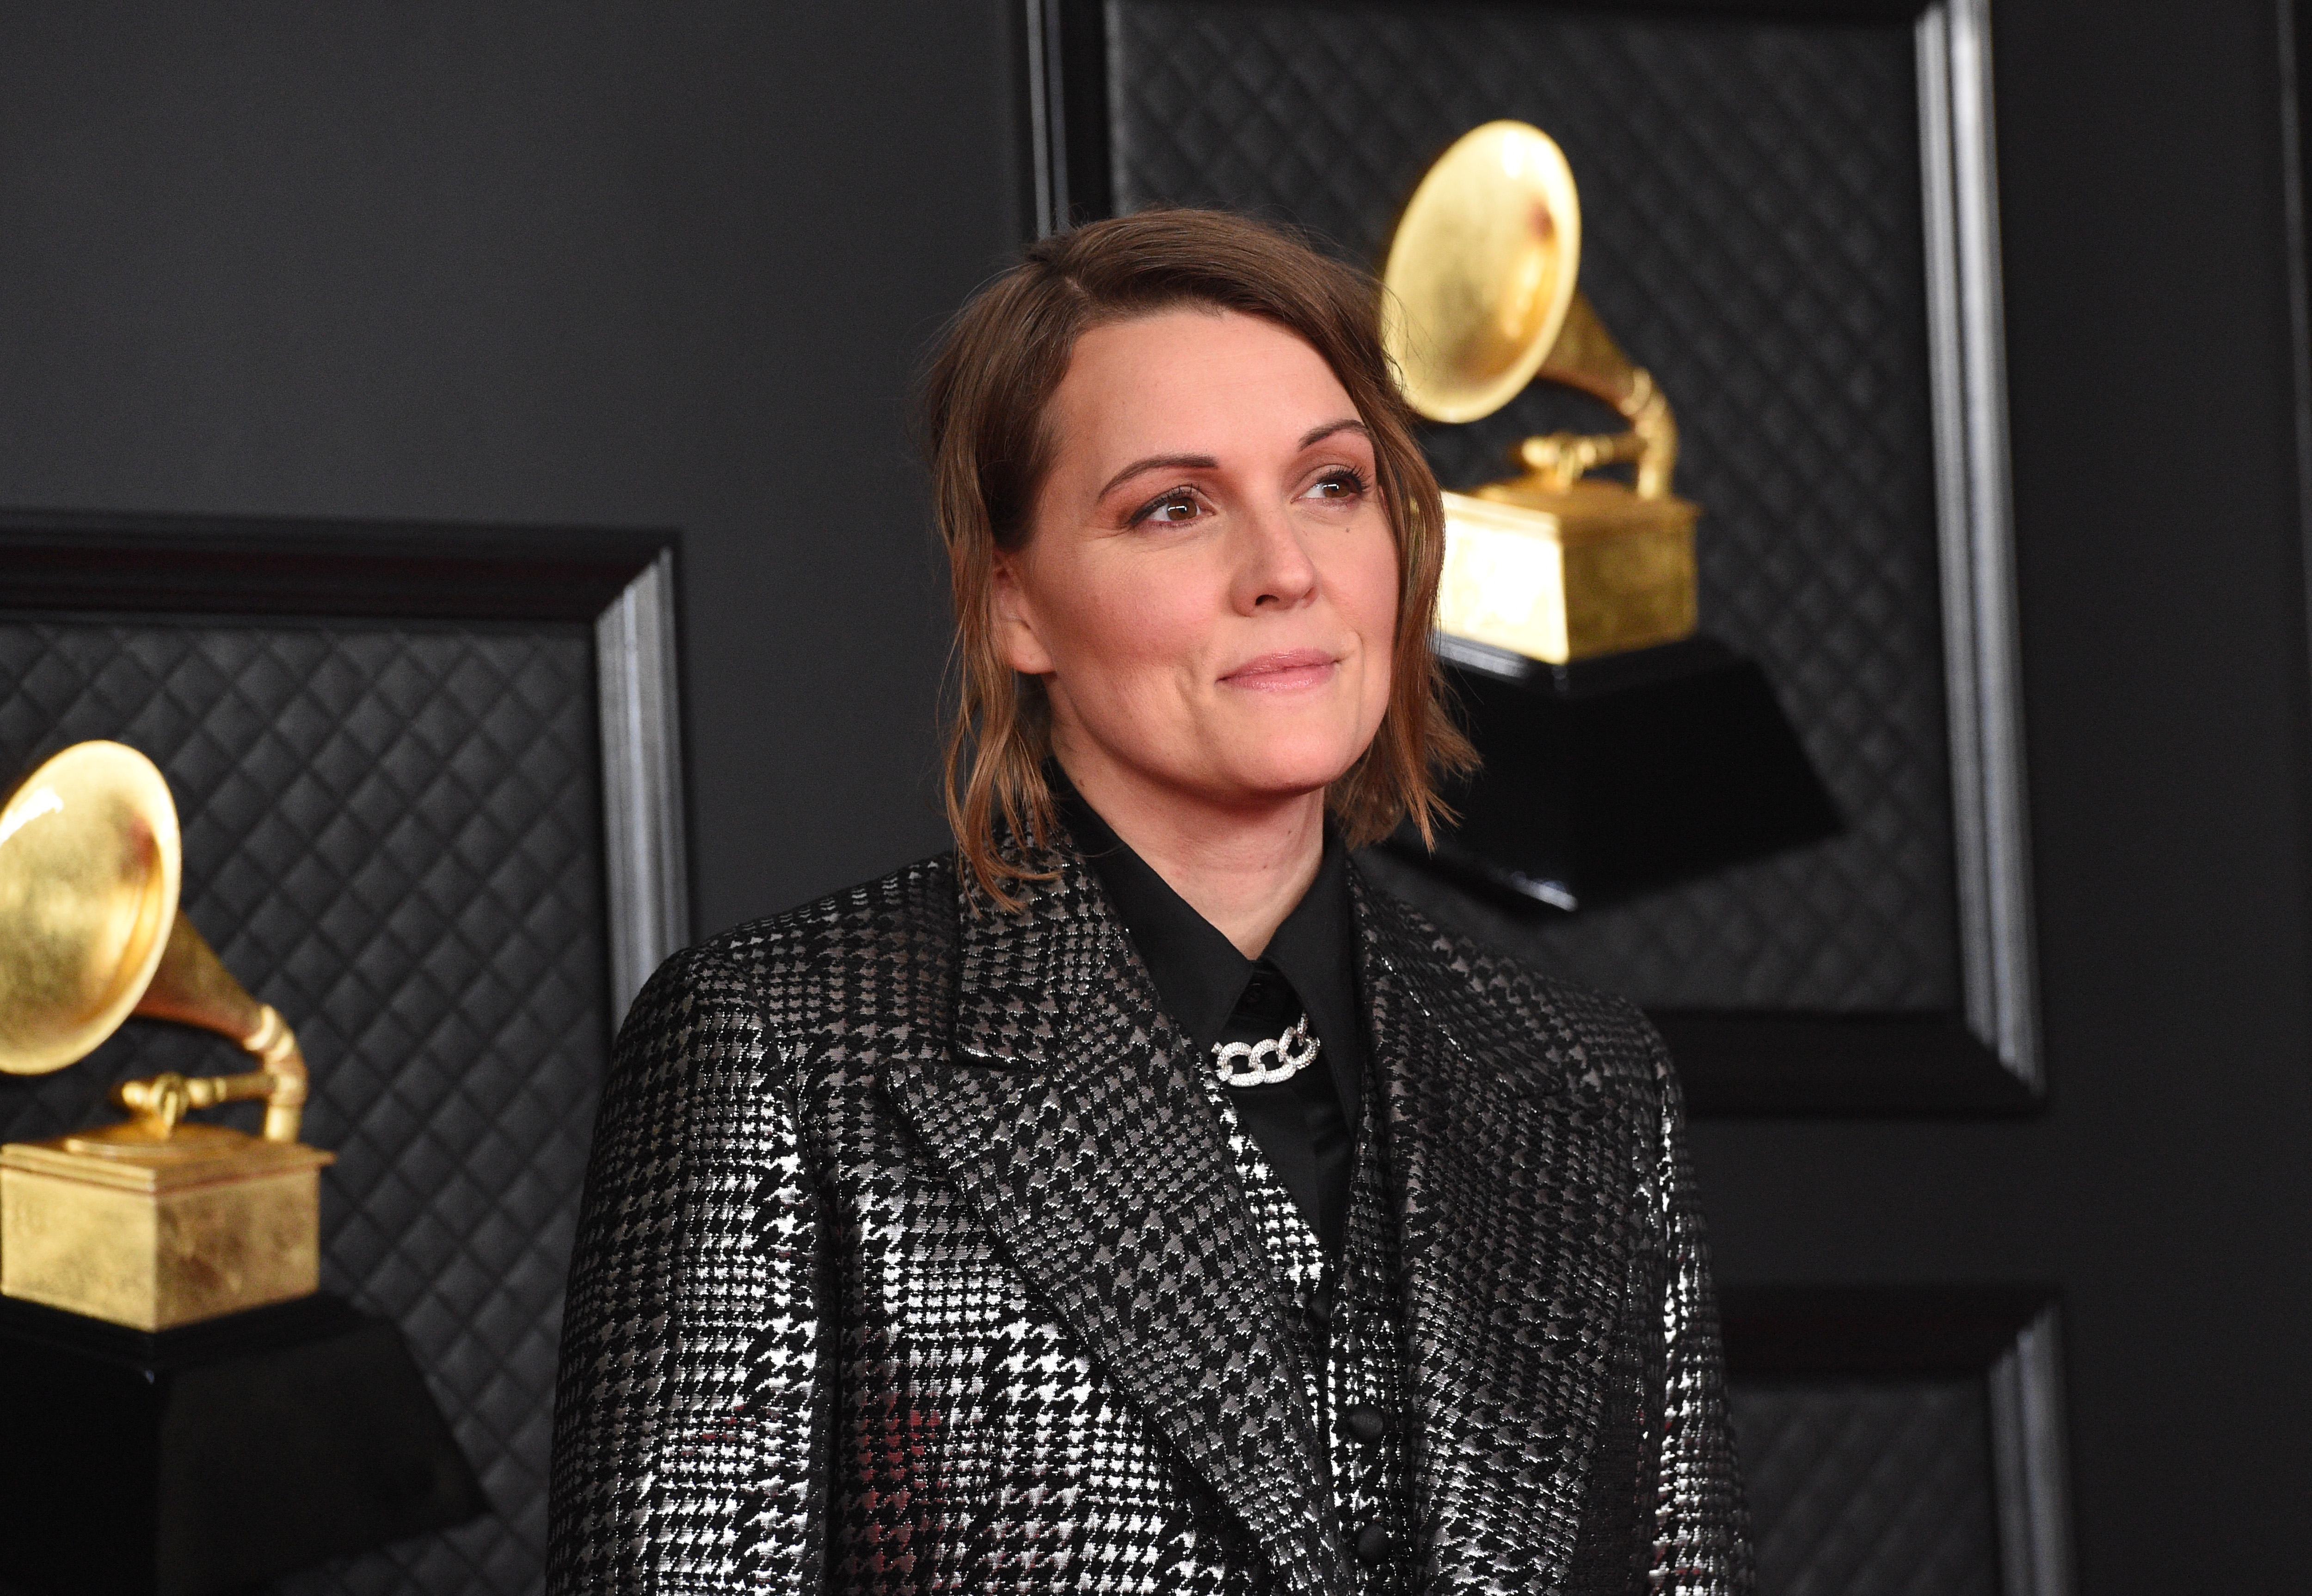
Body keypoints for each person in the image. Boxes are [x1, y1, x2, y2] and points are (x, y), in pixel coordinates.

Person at [547, 209, 1752, 1595]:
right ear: (1015, 604)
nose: (1284, 570)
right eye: (1173, 506)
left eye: (1333, 485)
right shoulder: (773, 1046)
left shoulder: (1592, 1082)